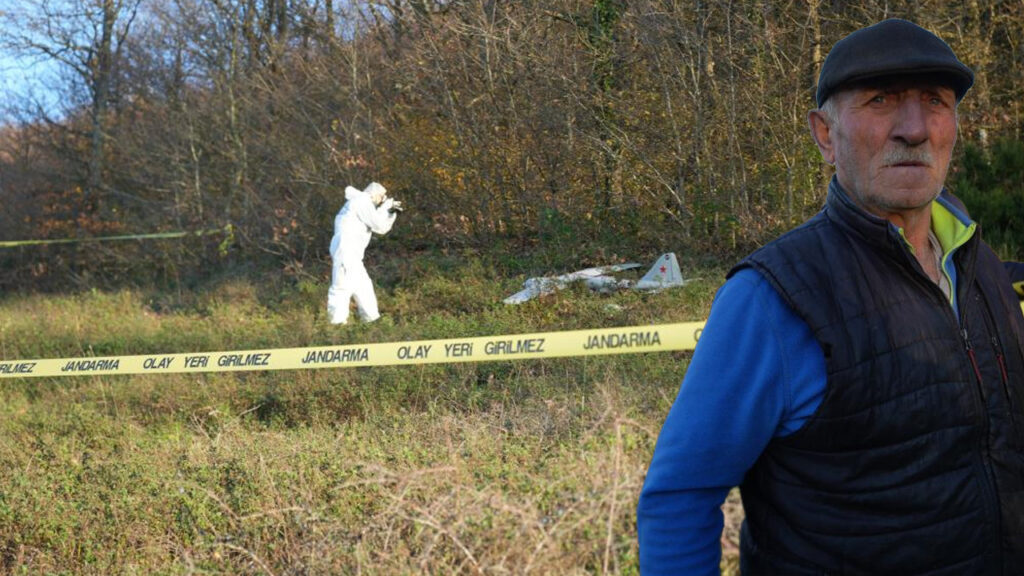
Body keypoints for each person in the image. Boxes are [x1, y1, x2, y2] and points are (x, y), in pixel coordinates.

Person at [637, 19, 1024, 575]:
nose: (913, 128)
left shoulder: (980, 264)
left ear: (953, 127)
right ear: (825, 134)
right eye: (881, 100)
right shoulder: (773, 298)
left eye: (934, 101)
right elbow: (680, 497)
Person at [327, 181, 401, 325]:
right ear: (374, 195)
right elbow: (379, 225)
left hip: (352, 255)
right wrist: (387, 208)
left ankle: (372, 321)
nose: (382, 200)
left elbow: (380, 225)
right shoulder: (361, 201)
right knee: (342, 287)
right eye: (382, 197)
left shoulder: (360, 203)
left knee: (363, 286)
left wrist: (390, 213)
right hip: (346, 251)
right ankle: (336, 325)